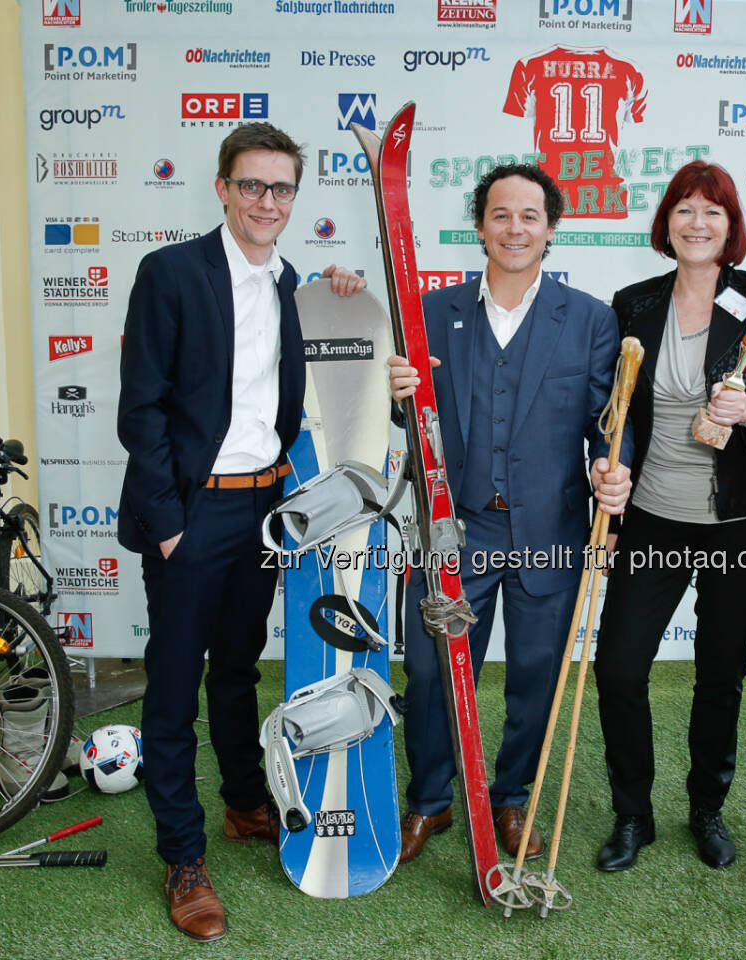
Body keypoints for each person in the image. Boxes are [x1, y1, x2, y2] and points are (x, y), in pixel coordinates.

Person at [117, 122, 365, 942]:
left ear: (295, 198)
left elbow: (331, 369)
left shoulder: (295, 286)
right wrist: (168, 529)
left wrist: (340, 293)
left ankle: (241, 806)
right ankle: (182, 857)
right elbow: (141, 409)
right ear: (223, 187)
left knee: (235, 671)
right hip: (193, 515)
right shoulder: (171, 273)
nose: (267, 201)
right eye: (252, 185)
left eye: (282, 189)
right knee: (173, 684)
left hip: (265, 510)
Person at [385, 163, 632, 864]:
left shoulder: (588, 319)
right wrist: (399, 394)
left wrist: (614, 465)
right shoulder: (433, 312)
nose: (514, 228)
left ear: (551, 228)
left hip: (549, 533)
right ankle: (429, 802)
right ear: (480, 226)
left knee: (536, 676)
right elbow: (412, 423)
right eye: (500, 214)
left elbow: (606, 421)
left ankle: (512, 798)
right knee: (431, 673)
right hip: (453, 529)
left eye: (530, 216)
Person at [590, 160, 746, 873]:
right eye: (684, 208)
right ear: (667, 223)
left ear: (730, 225)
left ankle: (707, 808)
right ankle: (633, 815)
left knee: (721, 672)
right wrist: (605, 464)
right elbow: (609, 414)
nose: (697, 222)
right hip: (653, 515)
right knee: (620, 668)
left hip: (742, 520)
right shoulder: (632, 305)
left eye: (712, 211)